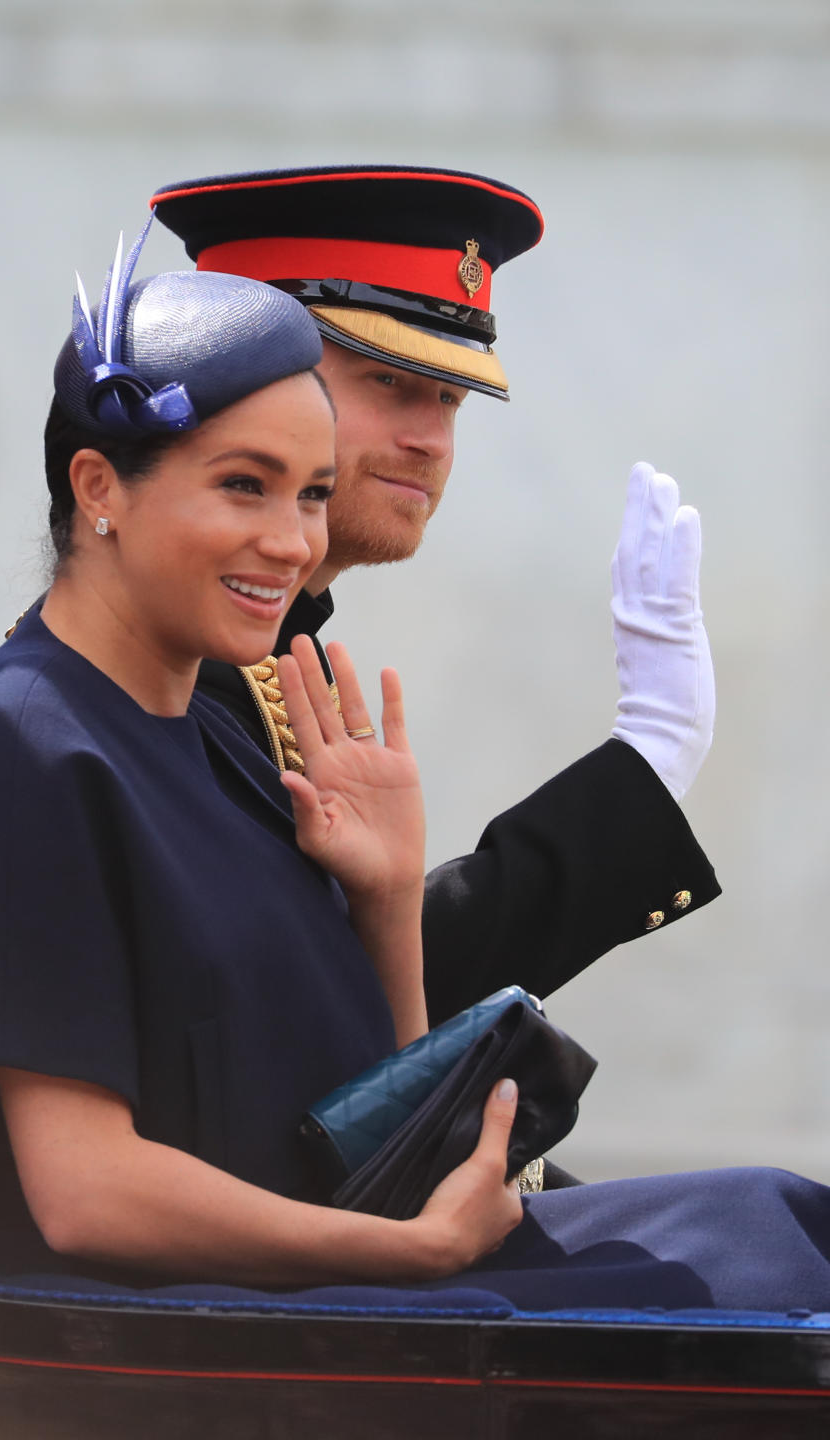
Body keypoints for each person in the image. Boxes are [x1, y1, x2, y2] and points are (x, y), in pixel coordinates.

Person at [0, 220, 827, 1313]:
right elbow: (85, 1195)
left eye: (313, 495)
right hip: (230, 1334)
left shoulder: (191, 728)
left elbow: (369, 1107)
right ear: (101, 487)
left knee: (777, 1221)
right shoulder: (33, 740)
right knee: (771, 1273)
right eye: (244, 485)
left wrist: (381, 899)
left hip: (334, 1285)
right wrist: (411, 1255)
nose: (292, 542)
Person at [150, 165, 720, 1026]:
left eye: (451, 397)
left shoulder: (270, 654)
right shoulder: (167, 669)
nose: (430, 440)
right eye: (389, 382)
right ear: (245, 382)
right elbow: (310, 1011)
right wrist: (649, 760)